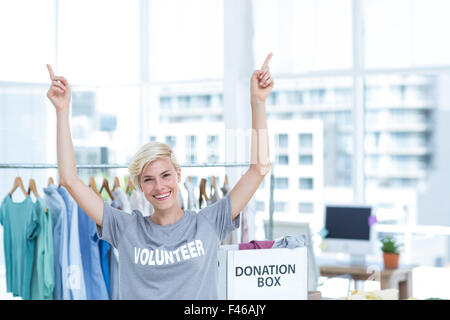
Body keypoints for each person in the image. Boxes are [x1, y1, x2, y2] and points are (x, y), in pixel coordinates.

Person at [45, 53, 274, 299]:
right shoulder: (126, 228)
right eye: (148, 179)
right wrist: (62, 111)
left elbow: (259, 168)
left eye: (165, 175)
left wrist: (257, 102)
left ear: (178, 175)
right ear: (139, 187)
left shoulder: (208, 222)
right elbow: (69, 179)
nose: (159, 186)